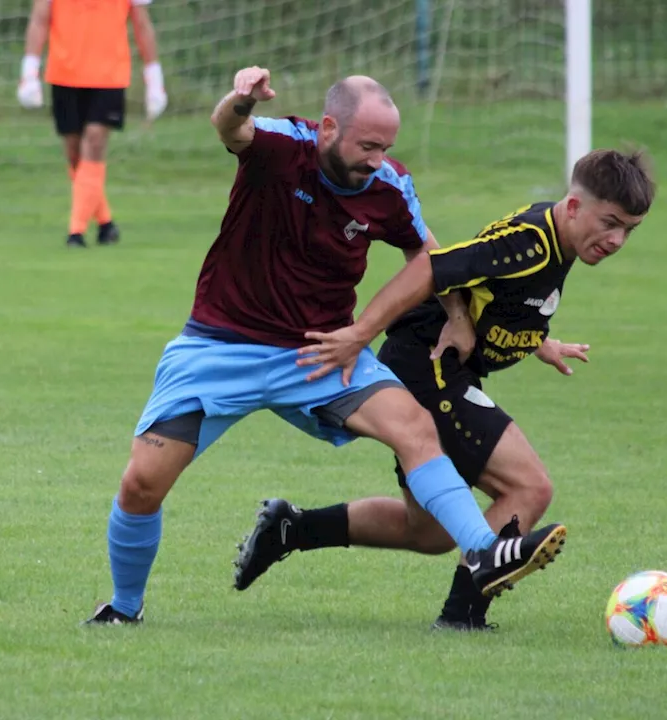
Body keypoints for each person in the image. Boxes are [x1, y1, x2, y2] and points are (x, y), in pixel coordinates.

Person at [84, 66, 567, 625]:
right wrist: (239, 100)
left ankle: (483, 552)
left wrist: (457, 312)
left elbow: (427, 258)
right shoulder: (283, 145)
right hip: (220, 345)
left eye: (386, 146)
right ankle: (123, 609)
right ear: (329, 128)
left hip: (321, 353)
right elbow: (228, 130)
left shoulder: (388, 186)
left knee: (414, 428)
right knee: (141, 483)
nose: (376, 158)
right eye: (367, 145)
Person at [232, 149, 655, 630]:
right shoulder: (529, 243)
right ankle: (463, 617)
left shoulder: (560, 240)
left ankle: (291, 528)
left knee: (429, 530)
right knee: (528, 486)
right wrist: (359, 333)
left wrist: (538, 340)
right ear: (575, 207)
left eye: (629, 230)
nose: (617, 239)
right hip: (428, 365)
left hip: (440, 367)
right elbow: (431, 267)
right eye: (611, 223)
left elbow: (500, 296)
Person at [17, 0, 166, 248]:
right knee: (75, 156)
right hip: (64, 73)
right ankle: (106, 223)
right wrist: (29, 72)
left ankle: (76, 232)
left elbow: (142, 23)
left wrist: (154, 77)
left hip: (110, 75)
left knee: (95, 141)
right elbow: (40, 18)